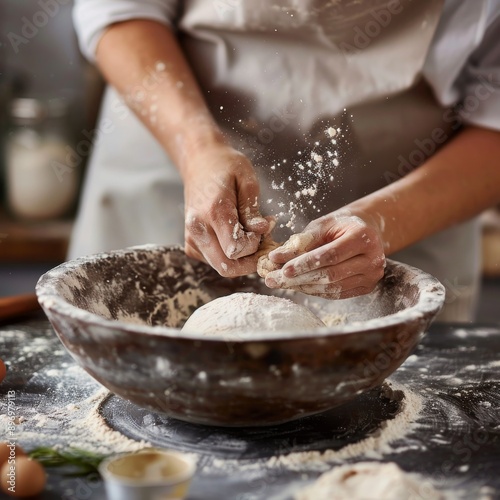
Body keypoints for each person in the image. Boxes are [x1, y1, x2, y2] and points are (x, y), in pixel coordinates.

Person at [70, 0, 500, 321]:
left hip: (416, 181)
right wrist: (196, 148)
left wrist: (387, 220)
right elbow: (121, 12)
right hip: (172, 125)